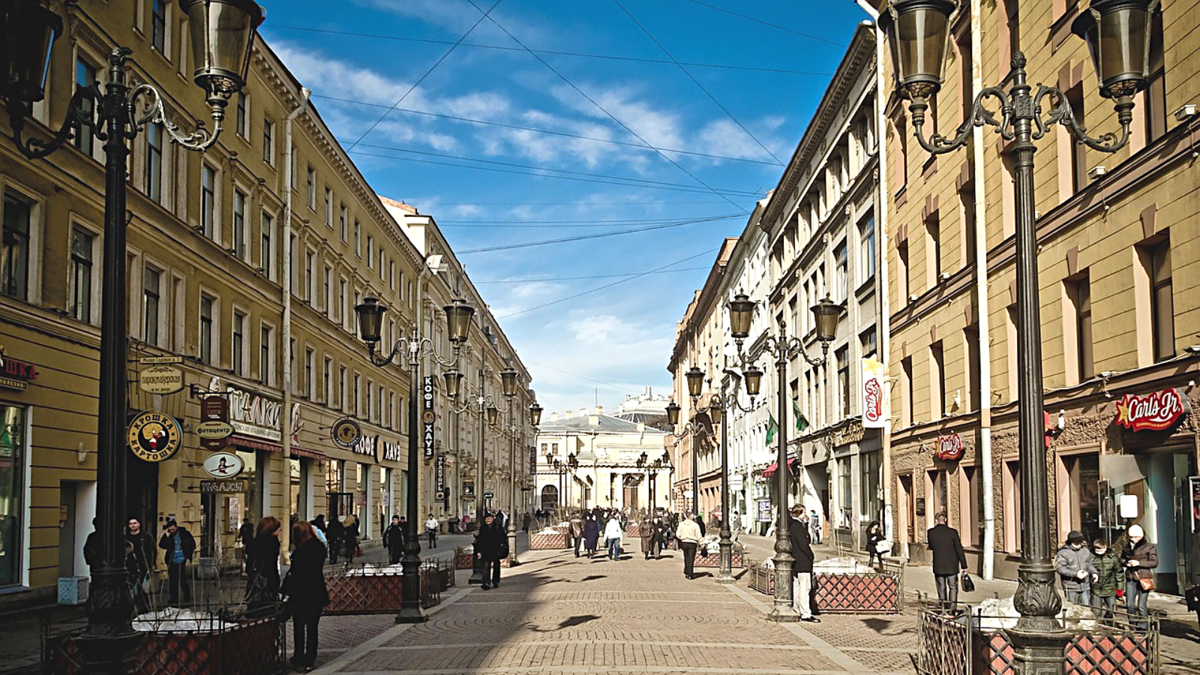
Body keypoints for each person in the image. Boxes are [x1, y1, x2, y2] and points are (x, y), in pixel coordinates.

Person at [283, 521, 329, 672]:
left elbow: (295, 573)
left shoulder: (301, 552)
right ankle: (310, 657)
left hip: (301, 593)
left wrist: (285, 589)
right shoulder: (320, 547)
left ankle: (299, 656)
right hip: (316, 592)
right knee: (312, 626)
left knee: (299, 626)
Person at [927, 511, 968, 613]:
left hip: (939, 564)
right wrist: (964, 565)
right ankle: (952, 610)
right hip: (952, 565)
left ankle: (943, 609)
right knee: (953, 587)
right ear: (945, 520)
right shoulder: (952, 532)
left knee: (941, 587)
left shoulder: (931, 532)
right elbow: (959, 549)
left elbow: (931, 546)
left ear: (936, 520)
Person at [1121, 524, 1157, 628]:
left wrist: (1138, 563)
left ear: (1141, 536)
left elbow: (1154, 563)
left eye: (1136, 537)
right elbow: (1122, 559)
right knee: (1129, 605)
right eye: (1131, 537)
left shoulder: (1149, 547)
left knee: (1142, 605)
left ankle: (1143, 627)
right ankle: (1132, 625)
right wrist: (1126, 562)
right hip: (1130, 577)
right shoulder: (1127, 547)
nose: (1133, 539)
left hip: (1143, 578)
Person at [245, 516, 282, 616]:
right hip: (268, 583)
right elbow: (271, 566)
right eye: (278, 529)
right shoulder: (273, 543)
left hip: (254, 583)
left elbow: (248, 566)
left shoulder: (253, 542)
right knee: (268, 613)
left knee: (254, 614)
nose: (279, 532)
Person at [788, 506, 819, 622]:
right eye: (804, 512)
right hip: (802, 561)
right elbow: (804, 543)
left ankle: (797, 609)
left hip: (795, 561)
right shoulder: (797, 526)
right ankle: (805, 613)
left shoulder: (792, 525)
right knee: (805, 588)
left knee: (797, 587)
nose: (806, 515)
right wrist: (810, 555)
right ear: (799, 513)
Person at [158, 519, 195, 606]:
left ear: (176, 527)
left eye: (173, 529)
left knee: (182, 579)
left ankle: (187, 596)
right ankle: (174, 598)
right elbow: (162, 545)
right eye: (170, 530)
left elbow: (191, 543)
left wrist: (188, 554)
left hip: (181, 559)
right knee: (172, 581)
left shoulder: (184, 534)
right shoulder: (169, 536)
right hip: (171, 560)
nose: (172, 531)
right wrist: (166, 536)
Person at [1055, 530, 1097, 606]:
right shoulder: (1063, 553)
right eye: (1077, 543)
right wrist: (1075, 574)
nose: (1079, 545)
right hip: (1071, 586)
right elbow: (1060, 568)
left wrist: (1094, 573)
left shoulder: (1085, 551)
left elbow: (1089, 564)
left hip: (1085, 585)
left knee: (1086, 608)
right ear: (1071, 542)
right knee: (1073, 608)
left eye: (1081, 542)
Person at [126, 517, 156, 615]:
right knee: (134, 589)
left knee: (139, 589)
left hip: (143, 566)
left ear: (139, 524)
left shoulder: (146, 537)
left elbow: (152, 551)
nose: (133, 525)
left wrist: (151, 565)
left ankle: (143, 610)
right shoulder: (126, 538)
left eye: (135, 523)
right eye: (130, 523)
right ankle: (139, 609)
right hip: (130, 566)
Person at [1090, 538, 1121, 623]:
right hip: (1095, 588)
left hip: (1110, 587)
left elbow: (1119, 573)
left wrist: (1120, 589)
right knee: (1096, 611)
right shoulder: (1090, 557)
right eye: (1097, 549)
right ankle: (1098, 628)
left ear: (1106, 547)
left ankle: (1109, 625)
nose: (1099, 551)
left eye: (1101, 549)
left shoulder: (1113, 558)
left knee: (1112, 610)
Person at [475, 512, 504, 590]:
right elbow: (480, 540)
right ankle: (486, 583)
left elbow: (503, 538)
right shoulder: (483, 528)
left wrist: (502, 548)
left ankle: (495, 581)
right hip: (486, 550)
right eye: (486, 519)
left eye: (489, 518)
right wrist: (479, 551)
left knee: (496, 567)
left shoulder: (498, 527)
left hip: (496, 550)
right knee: (486, 567)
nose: (487, 520)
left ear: (492, 519)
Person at [676, 513, 702, 580]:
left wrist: (682, 537)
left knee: (686, 557)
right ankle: (690, 574)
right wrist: (701, 542)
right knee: (691, 558)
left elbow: (678, 534)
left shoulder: (681, 524)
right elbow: (698, 535)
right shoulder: (695, 525)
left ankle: (686, 571)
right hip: (692, 542)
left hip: (684, 542)